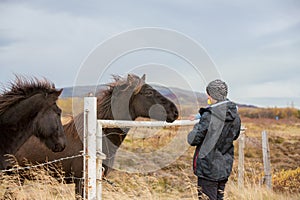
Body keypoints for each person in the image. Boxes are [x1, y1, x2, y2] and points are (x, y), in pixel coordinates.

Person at [187, 79, 241, 200]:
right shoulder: (235, 116)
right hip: (224, 166)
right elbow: (235, 135)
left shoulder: (209, 115)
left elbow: (192, 139)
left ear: (211, 96)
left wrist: (198, 125)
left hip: (208, 168)